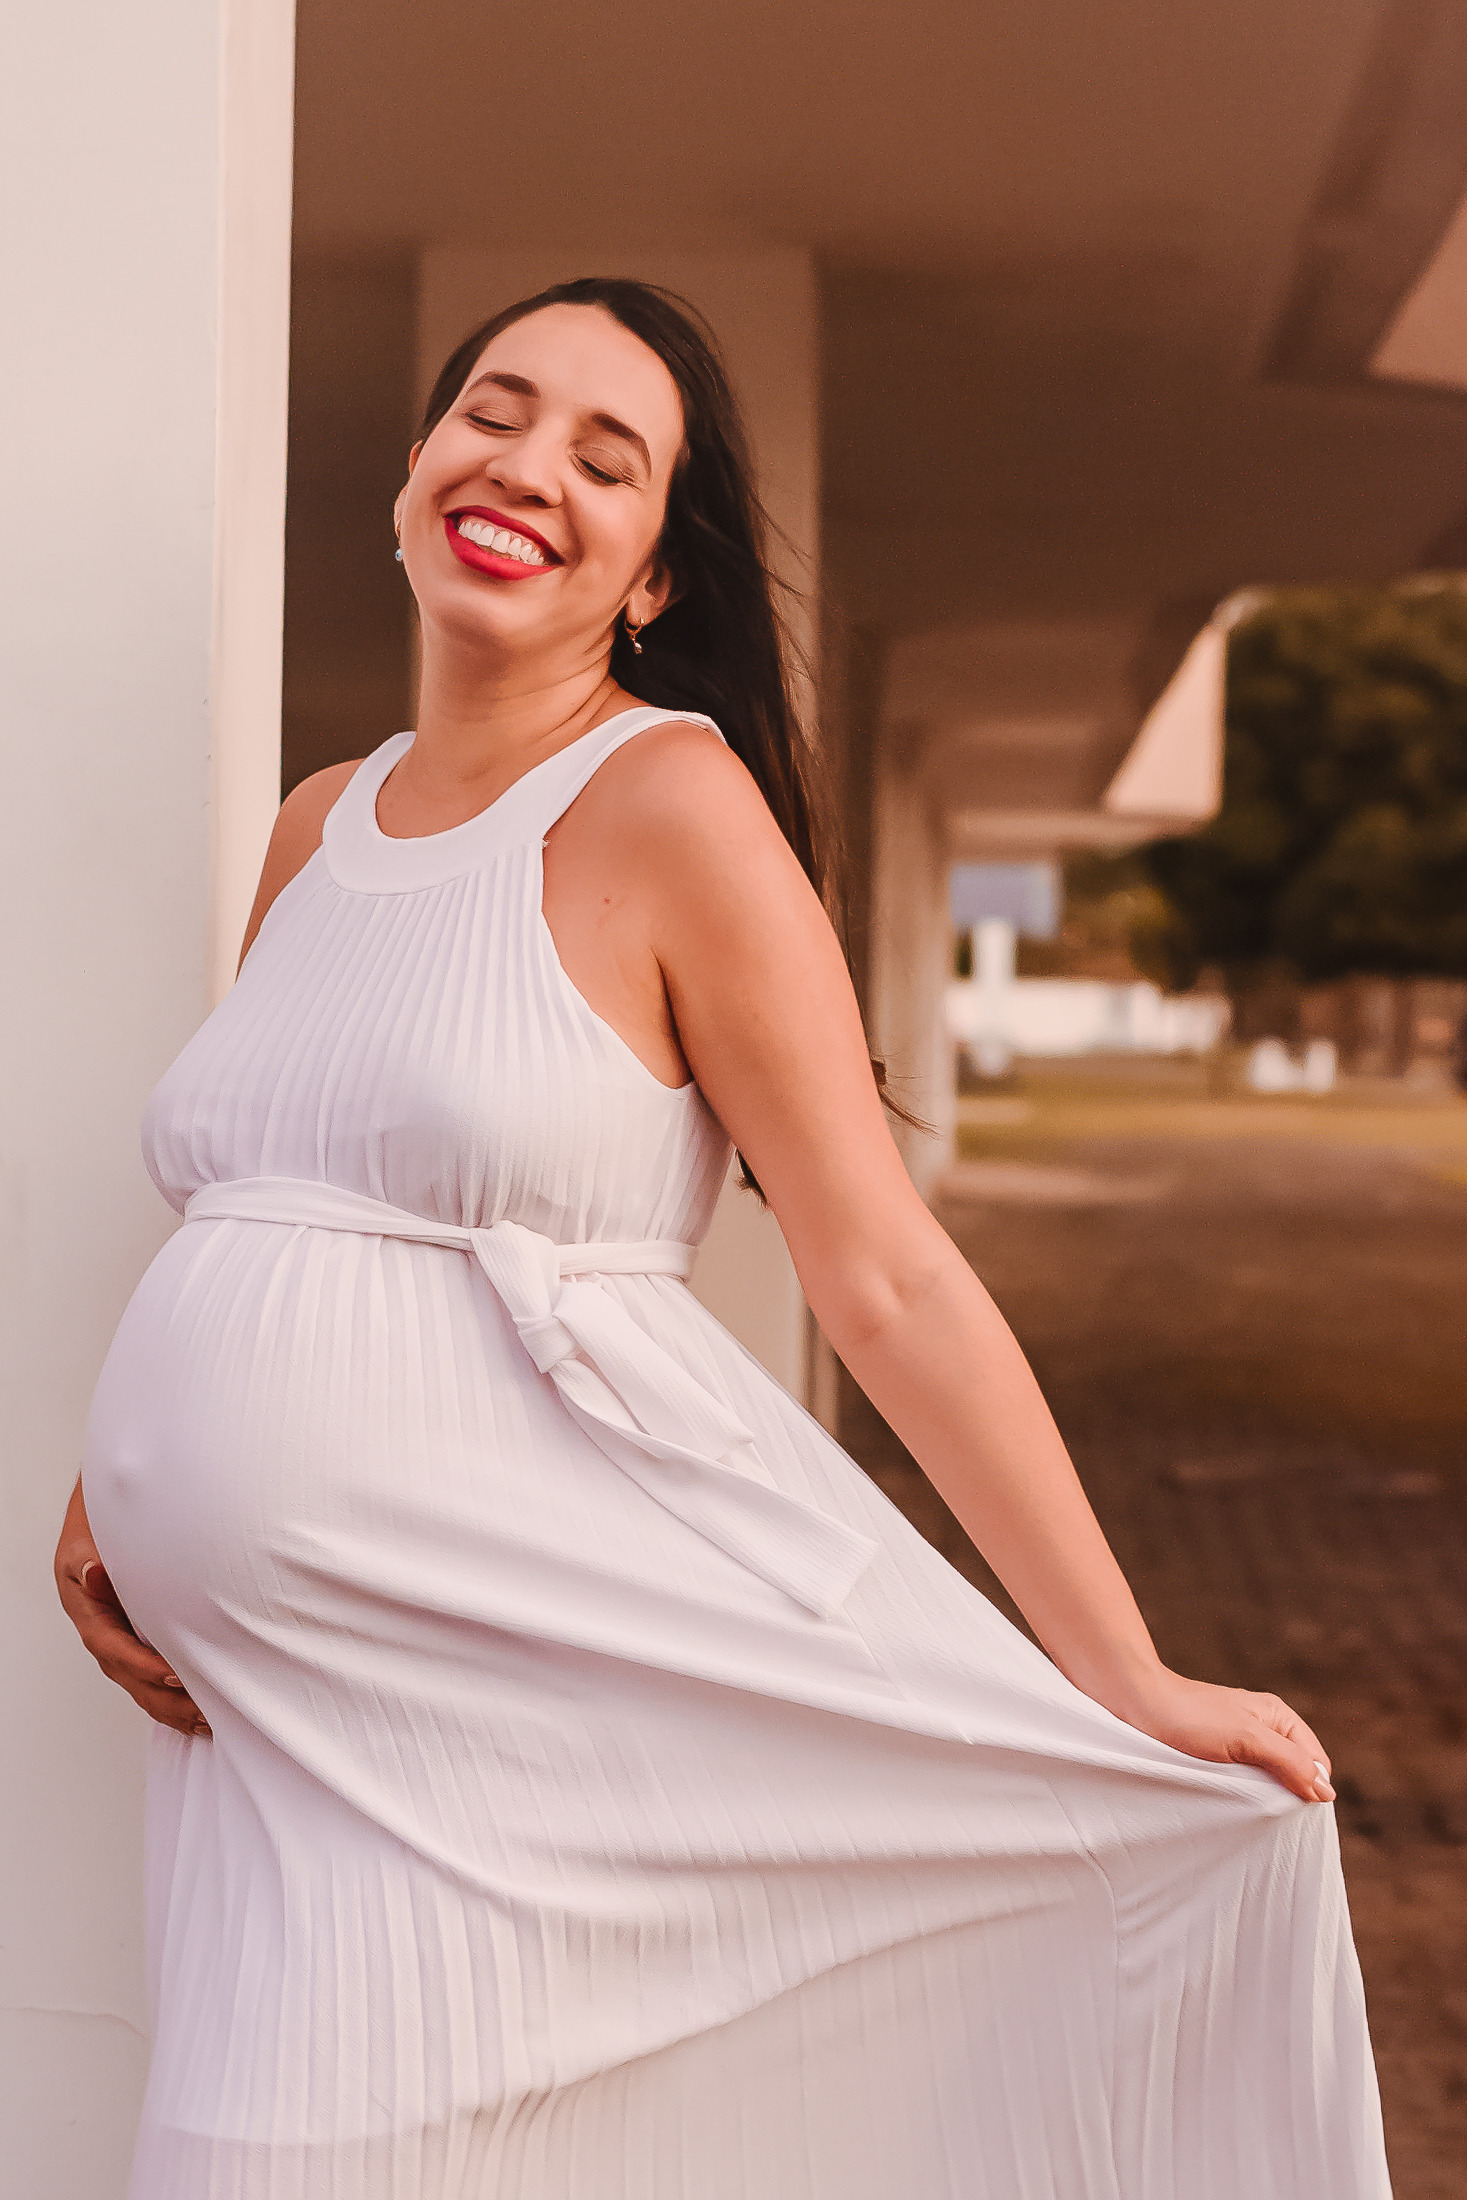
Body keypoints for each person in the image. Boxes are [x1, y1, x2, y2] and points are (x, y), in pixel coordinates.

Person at [57, 279, 1390, 2198]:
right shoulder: (317, 824)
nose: (528, 467)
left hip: (498, 1707)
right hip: (262, 1718)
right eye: (493, 413)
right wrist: (118, 1475)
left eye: (606, 459)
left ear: (655, 578)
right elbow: (255, 1189)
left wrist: (1122, 1670)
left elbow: (886, 1273)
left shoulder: (674, 805)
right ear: (416, 465)